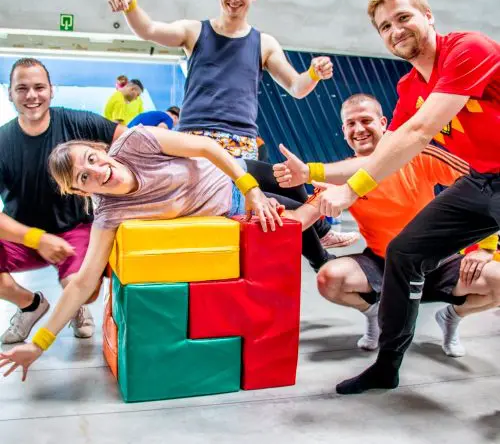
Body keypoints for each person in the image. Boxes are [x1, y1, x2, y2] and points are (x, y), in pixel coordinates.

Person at [281, 0, 499, 394]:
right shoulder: (408, 88)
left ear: (428, 16)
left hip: (487, 181)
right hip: (484, 179)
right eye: (384, 27)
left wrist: (349, 191)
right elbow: (391, 148)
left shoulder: (468, 49)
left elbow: (418, 132)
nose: (395, 30)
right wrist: (312, 179)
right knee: (405, 251)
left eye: (403, 18)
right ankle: (387, 366)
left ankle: (453, 318)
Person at [0, 124, 351, 379]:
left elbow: (206, 148)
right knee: (295, 223)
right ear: (80, 192)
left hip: (237, 175)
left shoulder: (136, 142)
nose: (96, 171)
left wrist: (252, 190)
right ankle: (325, 221)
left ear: (101, 150)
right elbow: (82, 282)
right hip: (229, 206)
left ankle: (326, 232)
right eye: (83, 178)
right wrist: (39, 344)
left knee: (297, 187)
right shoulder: (109, 215)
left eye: (92, 159)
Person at [107, 0, 359, 250]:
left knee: (285, 185)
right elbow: (149, 29)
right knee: (276, 196)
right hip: (196, 143)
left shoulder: (264, 43)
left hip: (241, 145)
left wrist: (313, 73)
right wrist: (131, 4)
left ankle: (320, 239)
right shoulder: (194, 31)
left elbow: (296, 87)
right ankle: (321, 237)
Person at [274, 93, 499, 357]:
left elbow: (485, 184)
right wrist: (263, 204)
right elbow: (300, 220)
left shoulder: (419, 154)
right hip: (383, 265)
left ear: (383, 123)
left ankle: (452, 317)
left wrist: (484, 248)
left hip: (440, 261)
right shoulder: (339, 176)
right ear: (344, 132)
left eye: (366, 120)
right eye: (351, 124)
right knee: (329, 278)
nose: (359, 129)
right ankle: (375, 314)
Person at [0, 58, 125, 345]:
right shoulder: (3, 142)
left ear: (51, 90)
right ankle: (30, 305)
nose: (32, 95)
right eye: (22, 88)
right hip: (23, 234)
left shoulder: (77, 122)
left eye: (39, 87)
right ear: (10, 93)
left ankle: (76, 304)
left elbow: (129, 141)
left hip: (75, 228)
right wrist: (36, 238)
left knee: (81, 287)